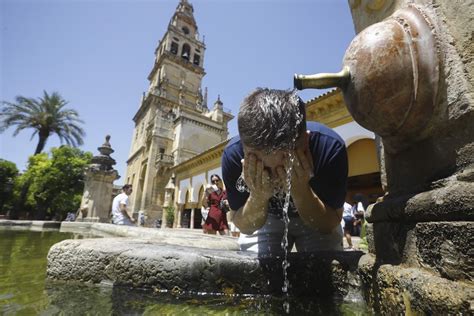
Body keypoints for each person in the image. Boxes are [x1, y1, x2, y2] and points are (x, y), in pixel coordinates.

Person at [222, 88, 348, 256]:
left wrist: (300, 190)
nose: (277, 176)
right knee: (252, 268)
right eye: (265, 167)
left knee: (325, 267)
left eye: (286, 163)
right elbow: (245, 226)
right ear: (245, 150)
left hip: (317, 213)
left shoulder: (329, 148)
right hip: (267, 219)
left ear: (306, 139)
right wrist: (258, 196)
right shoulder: (233, 156)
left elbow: (329, 224)